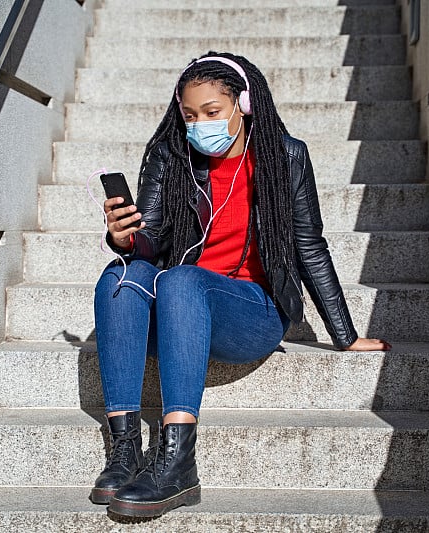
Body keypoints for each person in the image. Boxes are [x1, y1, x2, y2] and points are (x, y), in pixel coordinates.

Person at [90, 51, 391, 518]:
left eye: (212, 112)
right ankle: (125, 449)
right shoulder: (171, 157)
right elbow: (148, 248)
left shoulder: (285, 157)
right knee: (119, 276)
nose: (199, 124)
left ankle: (177, 464)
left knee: (183, 281)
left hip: (250, 312)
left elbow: (309, 246)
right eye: (190, 115)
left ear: (243, 105)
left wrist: (345, 336)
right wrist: (124, 237)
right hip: (178, 308)